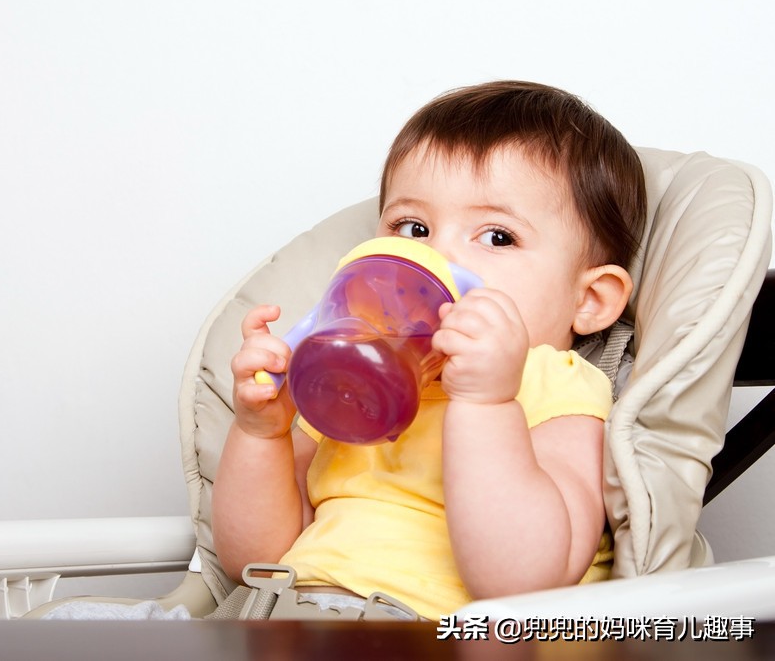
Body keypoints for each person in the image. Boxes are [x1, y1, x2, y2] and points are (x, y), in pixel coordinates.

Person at [212, 80, 648, 621]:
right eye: (412, 227)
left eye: (497, 237)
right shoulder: (352, 375)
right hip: (284, 616)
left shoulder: (555, 384)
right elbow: (251, 559)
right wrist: (263, 433)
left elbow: (522, 581)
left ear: (589, 301)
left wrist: (487, 404)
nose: (435, 256)